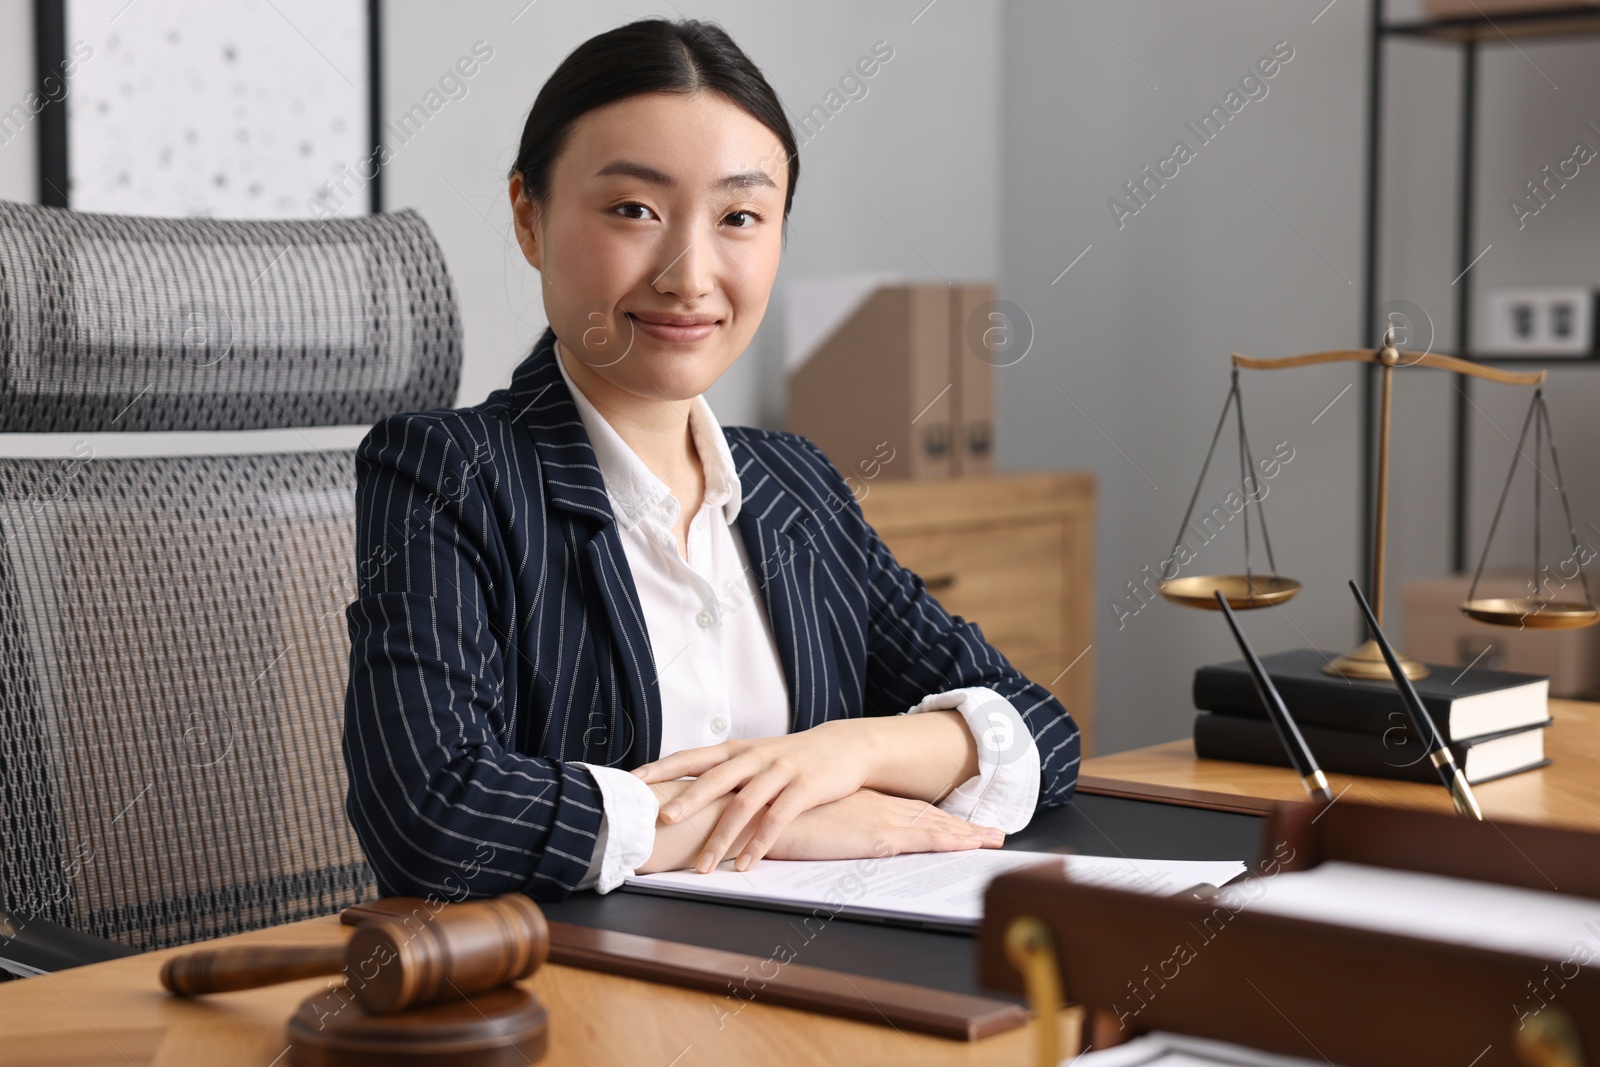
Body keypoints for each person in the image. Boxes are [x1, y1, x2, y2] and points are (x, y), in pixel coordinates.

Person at [342, 17, 1081, 904]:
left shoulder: (794, 485)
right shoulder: (448, 474)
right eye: (634, 211)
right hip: (572, 1001)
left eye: (739, 217)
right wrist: (783, 825)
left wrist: (850, 752)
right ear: (529, 218)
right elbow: (432, 811)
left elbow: (1040, 725)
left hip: (819, 981)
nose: (690, 275)